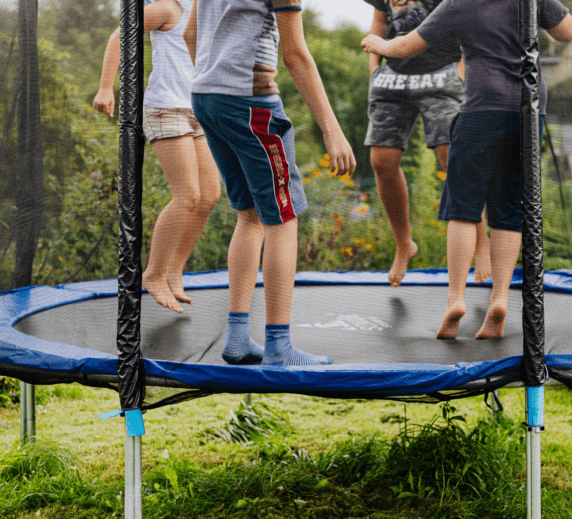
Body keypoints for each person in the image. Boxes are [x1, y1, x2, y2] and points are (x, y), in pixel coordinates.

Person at [362, 0, 572, 340]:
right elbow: (568, 32)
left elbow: (406, 46)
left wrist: (378, 45)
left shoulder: (459, 3)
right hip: (529, 112)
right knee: (508, 210)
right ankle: (501, 298)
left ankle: (456, 299)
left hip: (481, 109)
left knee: (462, 208)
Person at [183, 0, 356, 366]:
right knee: (283, 216)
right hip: (250, 103)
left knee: (249, 215)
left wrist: (215, 77)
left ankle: (237, 339)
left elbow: (190, 33)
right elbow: (295, 55)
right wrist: (333, 130)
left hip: (205, 96)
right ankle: (279, 346)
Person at [94, 0, 221, 314]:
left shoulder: (206, 9)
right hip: (165, 108)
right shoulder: (168, 8)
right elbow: (119, 36)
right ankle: (152, 274)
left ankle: (175, 270)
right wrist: (106, 88)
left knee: (209, 197)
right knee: (187, 196)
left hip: (198, 110)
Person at [364, 0, 492, 287]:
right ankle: (404, 244)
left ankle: (482, 243)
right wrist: (374, 69)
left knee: (453, 157)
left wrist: (461, 70)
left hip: (441, 74)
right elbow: (379, 21)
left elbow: (467, 22)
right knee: (382, 162)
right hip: (393, 78)